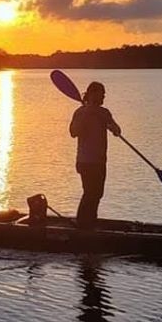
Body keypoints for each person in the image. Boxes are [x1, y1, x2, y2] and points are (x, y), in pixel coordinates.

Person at [69, 81, 121, 227]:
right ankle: (82, 223)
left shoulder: (104, 113)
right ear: (92, 94)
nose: (104, 97)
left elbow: (117, 130)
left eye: (104, 94)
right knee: (90, 192)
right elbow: (74, 132)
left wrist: (113, 127)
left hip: (100, 161)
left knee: (97, 193)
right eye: (101, 94)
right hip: (85, 161)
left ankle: (90, 221)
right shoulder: (80, 112)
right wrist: (87, 113)